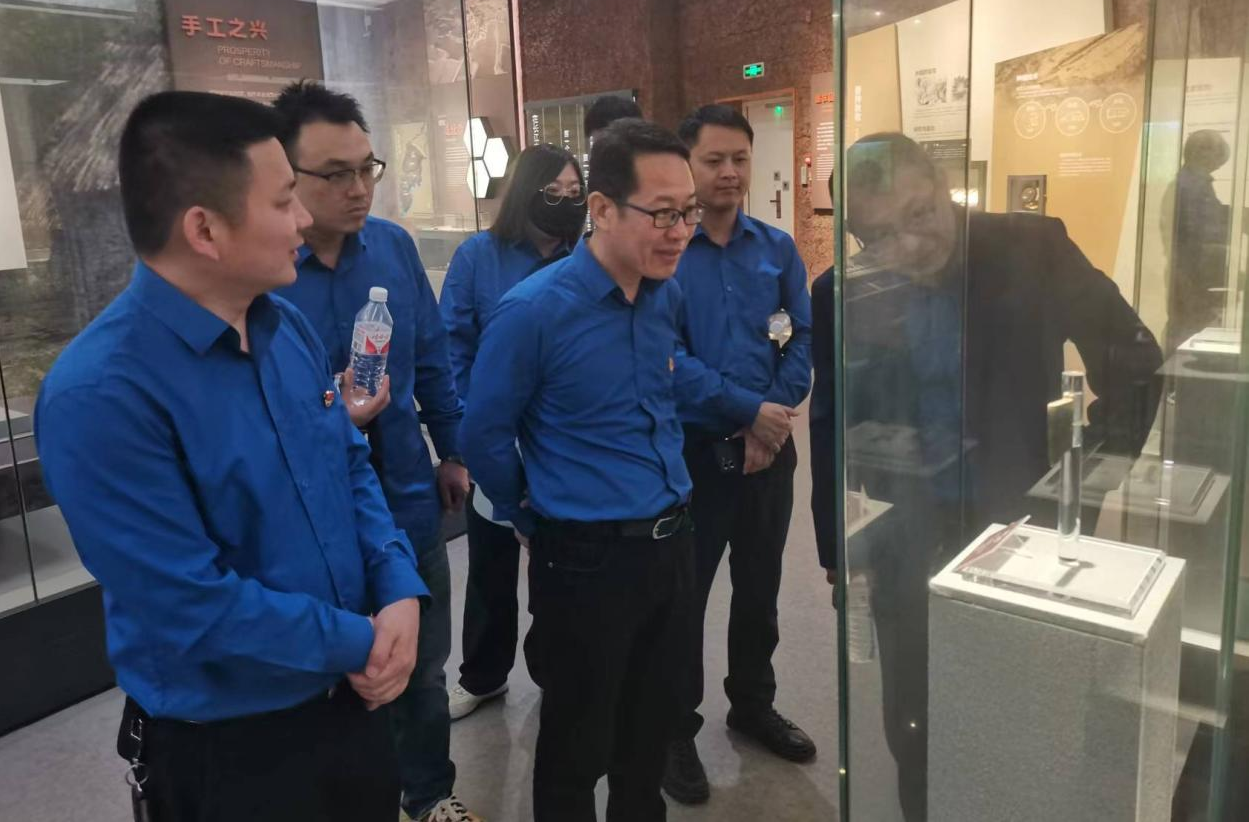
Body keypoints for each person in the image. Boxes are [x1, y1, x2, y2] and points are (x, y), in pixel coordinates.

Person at [34, 91, 428, 822]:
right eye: (283, 202)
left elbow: (347, 465)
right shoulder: (101, 394)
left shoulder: (286, 328)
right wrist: (361, 639)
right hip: (233, 747)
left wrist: (397, 585)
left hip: (352, 702)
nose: (303, 220)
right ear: (205, 229)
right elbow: (188, 602)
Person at [809, 133, 1162, 821]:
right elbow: (829, 420)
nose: (910, 244)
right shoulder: (841, 291)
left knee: (1018, 720)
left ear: (944, 188)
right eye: (880, 234)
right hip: (905, 533)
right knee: (913, 725)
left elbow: (1136, 364)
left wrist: (1081, 484)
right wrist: (837, 548)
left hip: (1020, 529)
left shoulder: (1032, 247)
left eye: (920, 214)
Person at [460, 118, 700, 822]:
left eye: (688, 213)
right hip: (586, 561)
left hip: (671, 547)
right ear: (601, 209)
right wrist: (526, 512)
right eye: (662, 214)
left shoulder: (665, 295)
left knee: (647, 740)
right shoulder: (533, 312)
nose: (680, 232)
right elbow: (483, 433)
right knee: (575, 748)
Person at [271, 82, 480, 822]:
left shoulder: (391, 247)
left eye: (367, 168)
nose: (358, 188)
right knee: (339, 678)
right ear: (284, 175)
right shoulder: (269, 272)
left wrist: (452, 451)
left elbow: (432, 362)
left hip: (406, 495)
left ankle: (430, 796)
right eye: (335, 174)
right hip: (313, 513)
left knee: (422, 668)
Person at [662, 104, 815, 805]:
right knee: (683, 599)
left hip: (768, 453)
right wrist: (747, 411)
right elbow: (666, 357)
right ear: (687, 165)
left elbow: (799, 336)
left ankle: (752, 704)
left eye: (739, 159)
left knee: (759, 589)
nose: (729, 172)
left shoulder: (776, 249)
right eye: (713, 159)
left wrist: (770, 419)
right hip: (695, 457)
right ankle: (674, 729)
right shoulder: (667, 250)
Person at [440, 144, 587, 721]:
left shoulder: (586, 258)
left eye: (575, 193)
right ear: (526, 192)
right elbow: (454, 347)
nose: (566, 203)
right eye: (554, 192)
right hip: (494, 431)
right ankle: (483, 674)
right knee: (491, 565)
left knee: (557, 566)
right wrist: (469, 429)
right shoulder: (479, 256)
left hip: (559, 437)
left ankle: (556, 673)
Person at [1164, 129, 1232, 352]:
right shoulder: (1192, 185)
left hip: (1192, 276)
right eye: (1216, 152)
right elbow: (1199, 237)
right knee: (1186, 335)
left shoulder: (1194, 184)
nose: (1219, 158)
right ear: (1200, 152)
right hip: (1193, 277)